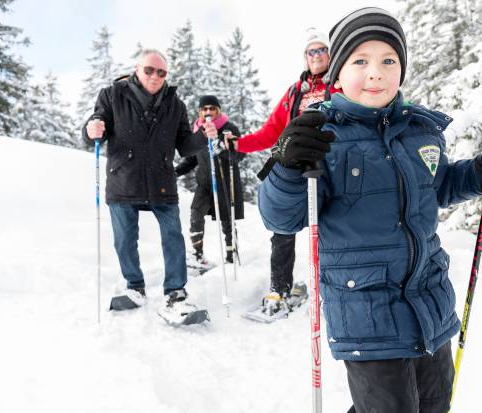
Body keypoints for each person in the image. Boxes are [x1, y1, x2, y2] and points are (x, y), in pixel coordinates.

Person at [258, 7, 482, 413]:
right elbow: (280, 218)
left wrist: (479, 175)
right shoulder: (324, 138)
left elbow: (437, 187)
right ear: (337, 73)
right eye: (360, 61)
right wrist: (287, 166)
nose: (374, 73)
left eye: (387, 61)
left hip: (429, 300)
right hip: (366, 310)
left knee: (432, 405)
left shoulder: (421, 132)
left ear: (401, 69)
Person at [82, 49, 217, 321]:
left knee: (173, 237)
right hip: (123, 180)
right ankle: (135, 287)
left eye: (161, 72)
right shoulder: (112, 95)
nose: (155, 76)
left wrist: (203, 136)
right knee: (124, 240)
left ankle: (176, 292)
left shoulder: (175, 104)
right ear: (137, 69)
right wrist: (90, 129)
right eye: (149, 70)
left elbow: (184, 145)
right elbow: (97, 128)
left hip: (161, 181)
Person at [229, 27, 339, 313]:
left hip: (332, 169)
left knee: (333, 228)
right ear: (305, 57)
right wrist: (237, 146)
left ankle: (334, 288)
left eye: (321, 50)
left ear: (331, 53)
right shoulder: (294, 93)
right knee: (282, 231)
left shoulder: (341, 85)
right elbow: (270, 133)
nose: (316, 55)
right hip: (294, 169)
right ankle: (280, 289)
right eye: (311, 51)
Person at [175, 95, 243, 265]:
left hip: (225, 182)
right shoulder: (198, 131)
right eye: (204, 109)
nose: (208, 112)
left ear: (218, 110)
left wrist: (223, 148)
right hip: (204, 183)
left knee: (227, 220)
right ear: (200, 112)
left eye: (212, 108)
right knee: (196, 214)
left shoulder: (229, 128)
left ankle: (231, 255)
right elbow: (192, 159)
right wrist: (175, 172)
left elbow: (240, 154)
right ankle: (198, 255)